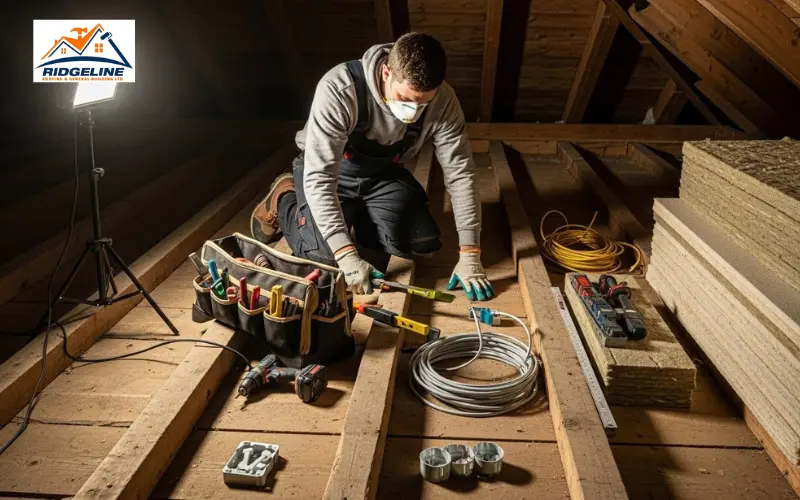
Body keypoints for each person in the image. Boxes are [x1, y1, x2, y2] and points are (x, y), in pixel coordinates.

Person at [250, 32, 493, 301]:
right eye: (405, 98)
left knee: (421, 243)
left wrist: (471, 253)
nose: (413, 111)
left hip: (380, 176)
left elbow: (461, 173)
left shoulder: (444, 100)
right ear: (387, 73)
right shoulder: (341, 88)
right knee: (325, 261)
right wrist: (345, 254)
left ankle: (360, 211)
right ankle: (283, 196)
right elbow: (320, 177)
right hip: (329, 173)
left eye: (422, 103)